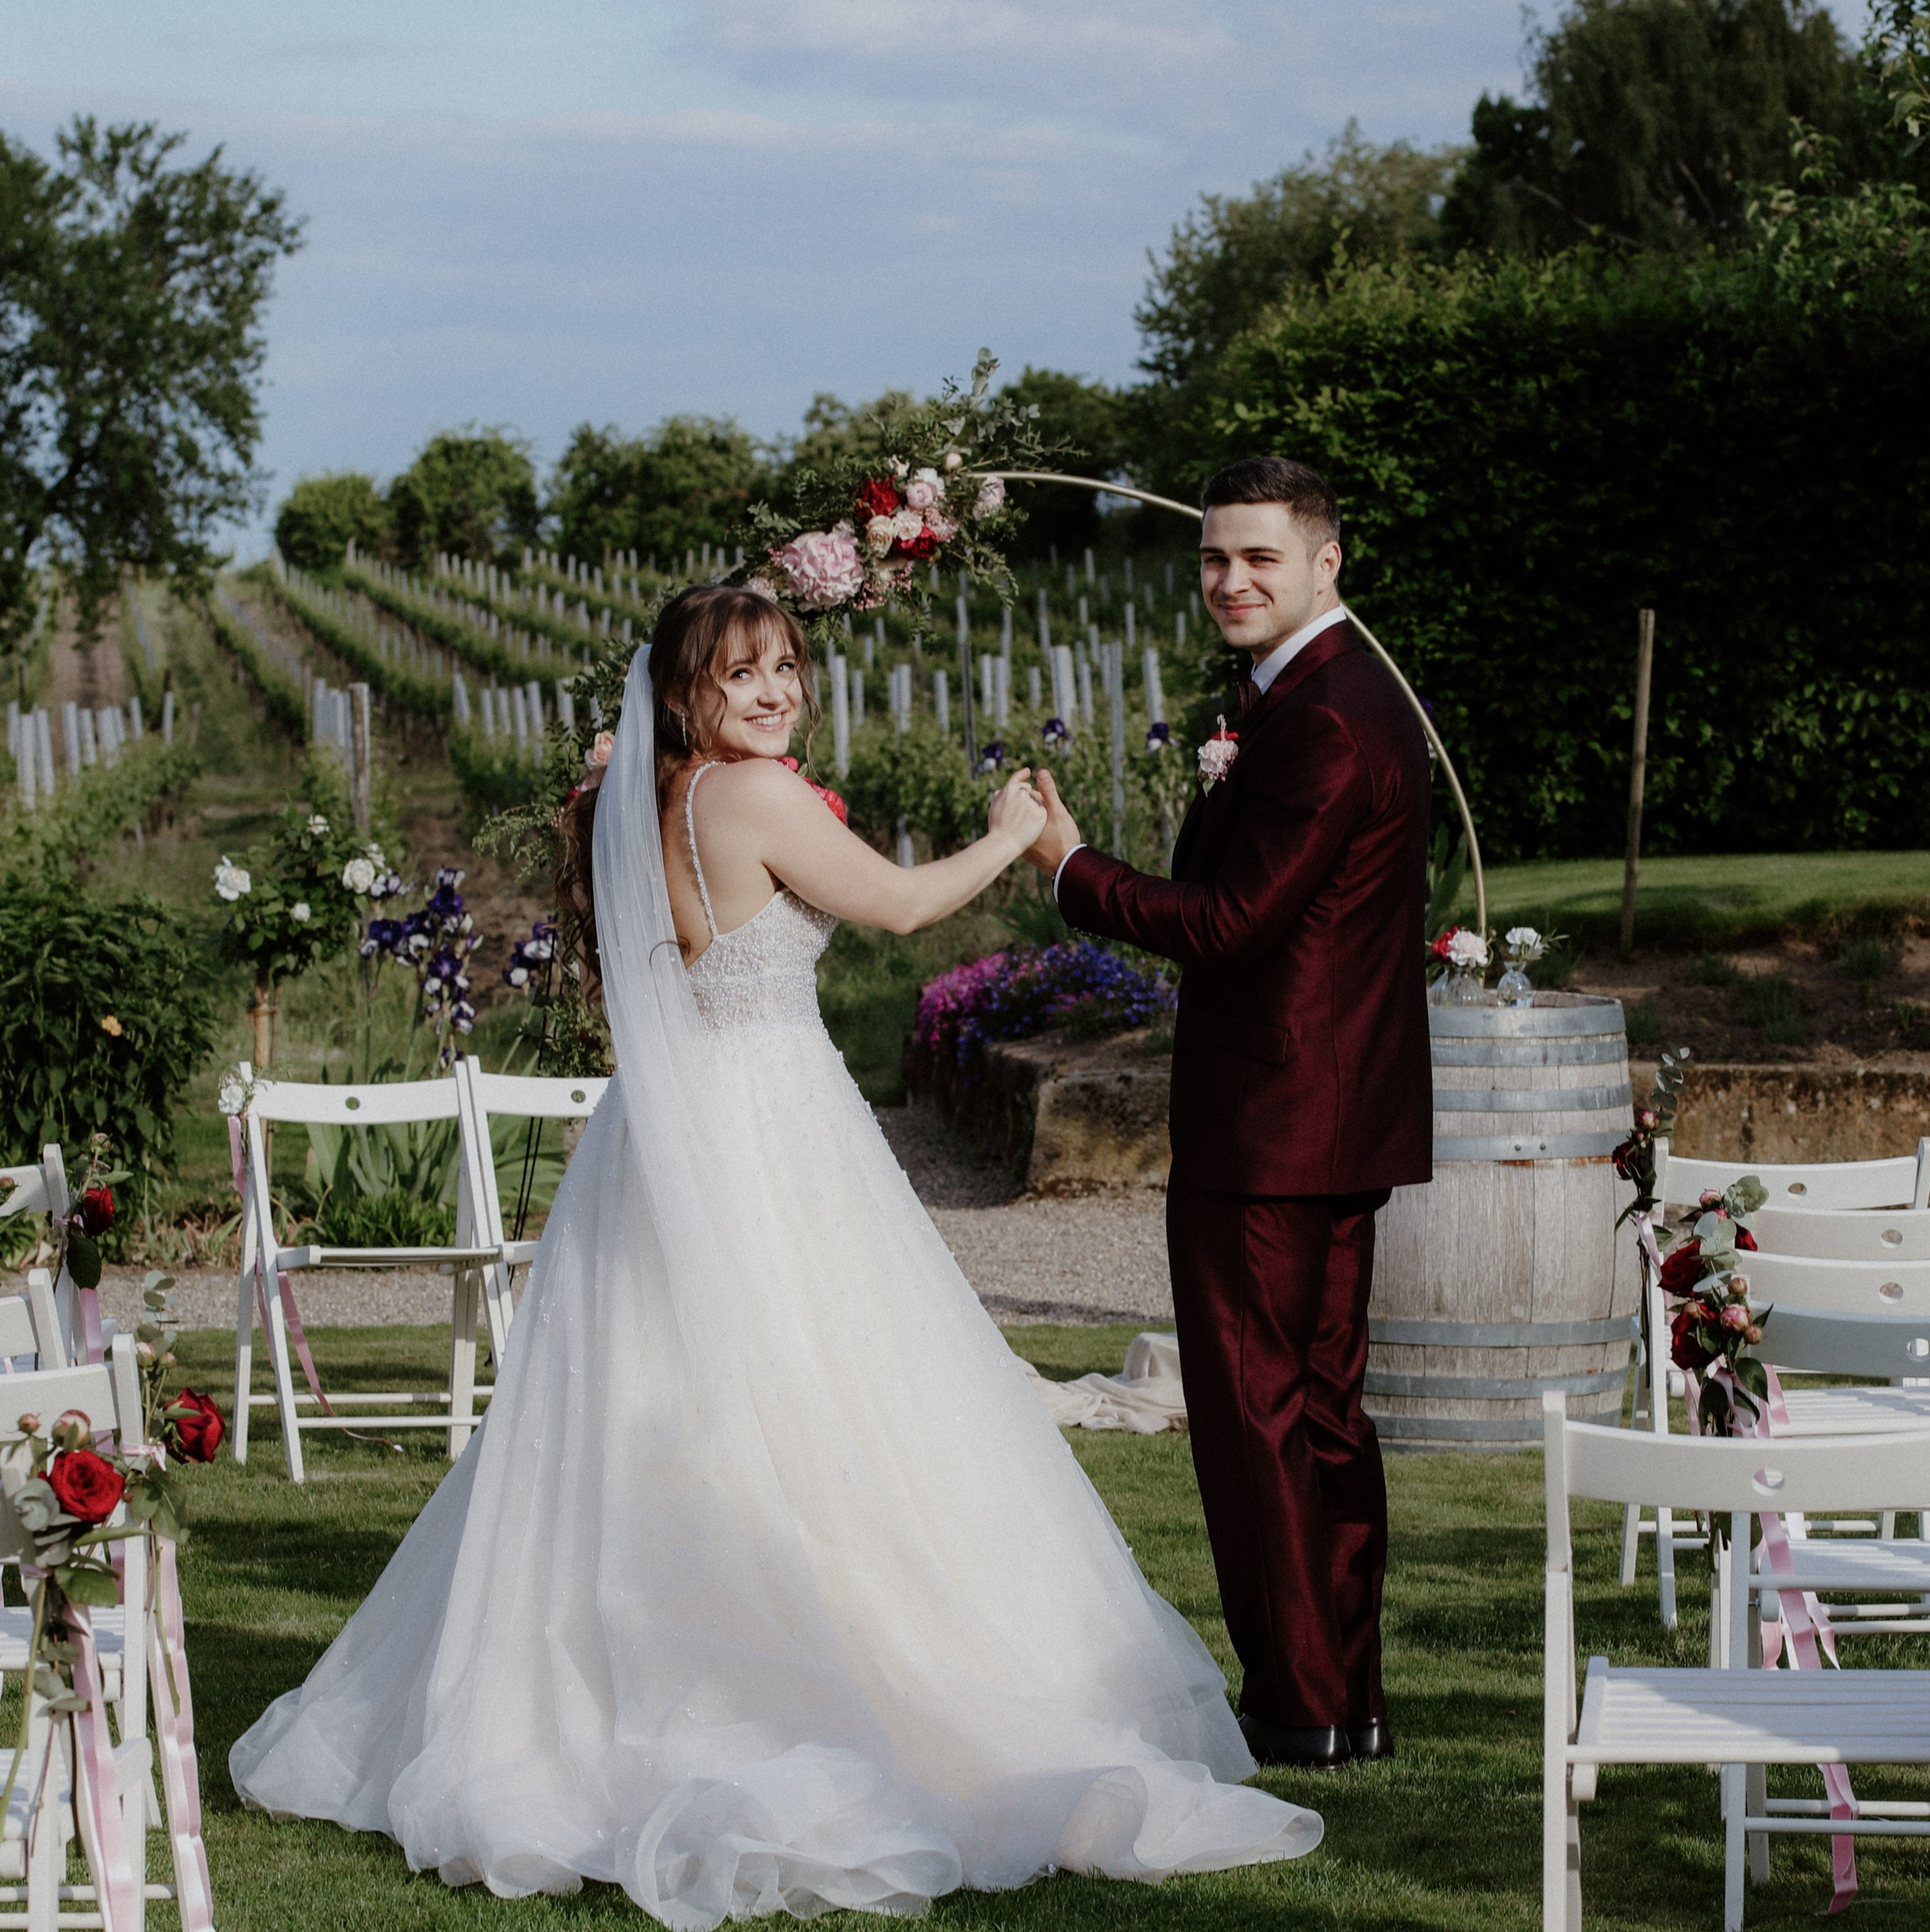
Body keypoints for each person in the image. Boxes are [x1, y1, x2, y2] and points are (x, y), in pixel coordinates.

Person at [230, 584, 1322, 1926]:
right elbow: (907, 907)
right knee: (824, 1402)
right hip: (764, 1130)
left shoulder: (640, 793)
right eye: (743, 674)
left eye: (788, 668)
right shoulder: (747, 798)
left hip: (666, 1133)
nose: (775, 694)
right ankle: (827, 1674)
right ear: (685, 691)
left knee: (659, 1415)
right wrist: (1012, 834)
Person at [1023, 457, 1432, 1771]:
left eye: (1259, 557)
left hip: (1272, 1126)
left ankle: (1300, 1705)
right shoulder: (1332, 693)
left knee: (1258, 1418)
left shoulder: (1321, 717)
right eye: (1214, 558)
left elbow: (1227, 924)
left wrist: (1071, 869)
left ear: (1328, 560)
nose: (1232, 580)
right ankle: (1342, 1702)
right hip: (1331, 1118)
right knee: (1318, 1412)